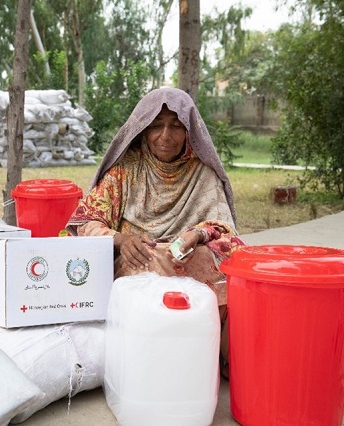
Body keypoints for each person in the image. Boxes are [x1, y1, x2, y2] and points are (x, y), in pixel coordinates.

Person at [66, 87, 246, 378]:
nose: (166, 136)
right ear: (142, 130)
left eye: (176, 126)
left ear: (190, 132)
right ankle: (159, 359)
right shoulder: (125, 171)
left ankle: (212, 354)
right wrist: (121, 240)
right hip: (135, 261)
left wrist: (197, 235)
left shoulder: (203, 174)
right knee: (152, 262)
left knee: (218, 266)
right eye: (156, 125)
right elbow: (84, 222)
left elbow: (229, 235)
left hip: (185, 259)